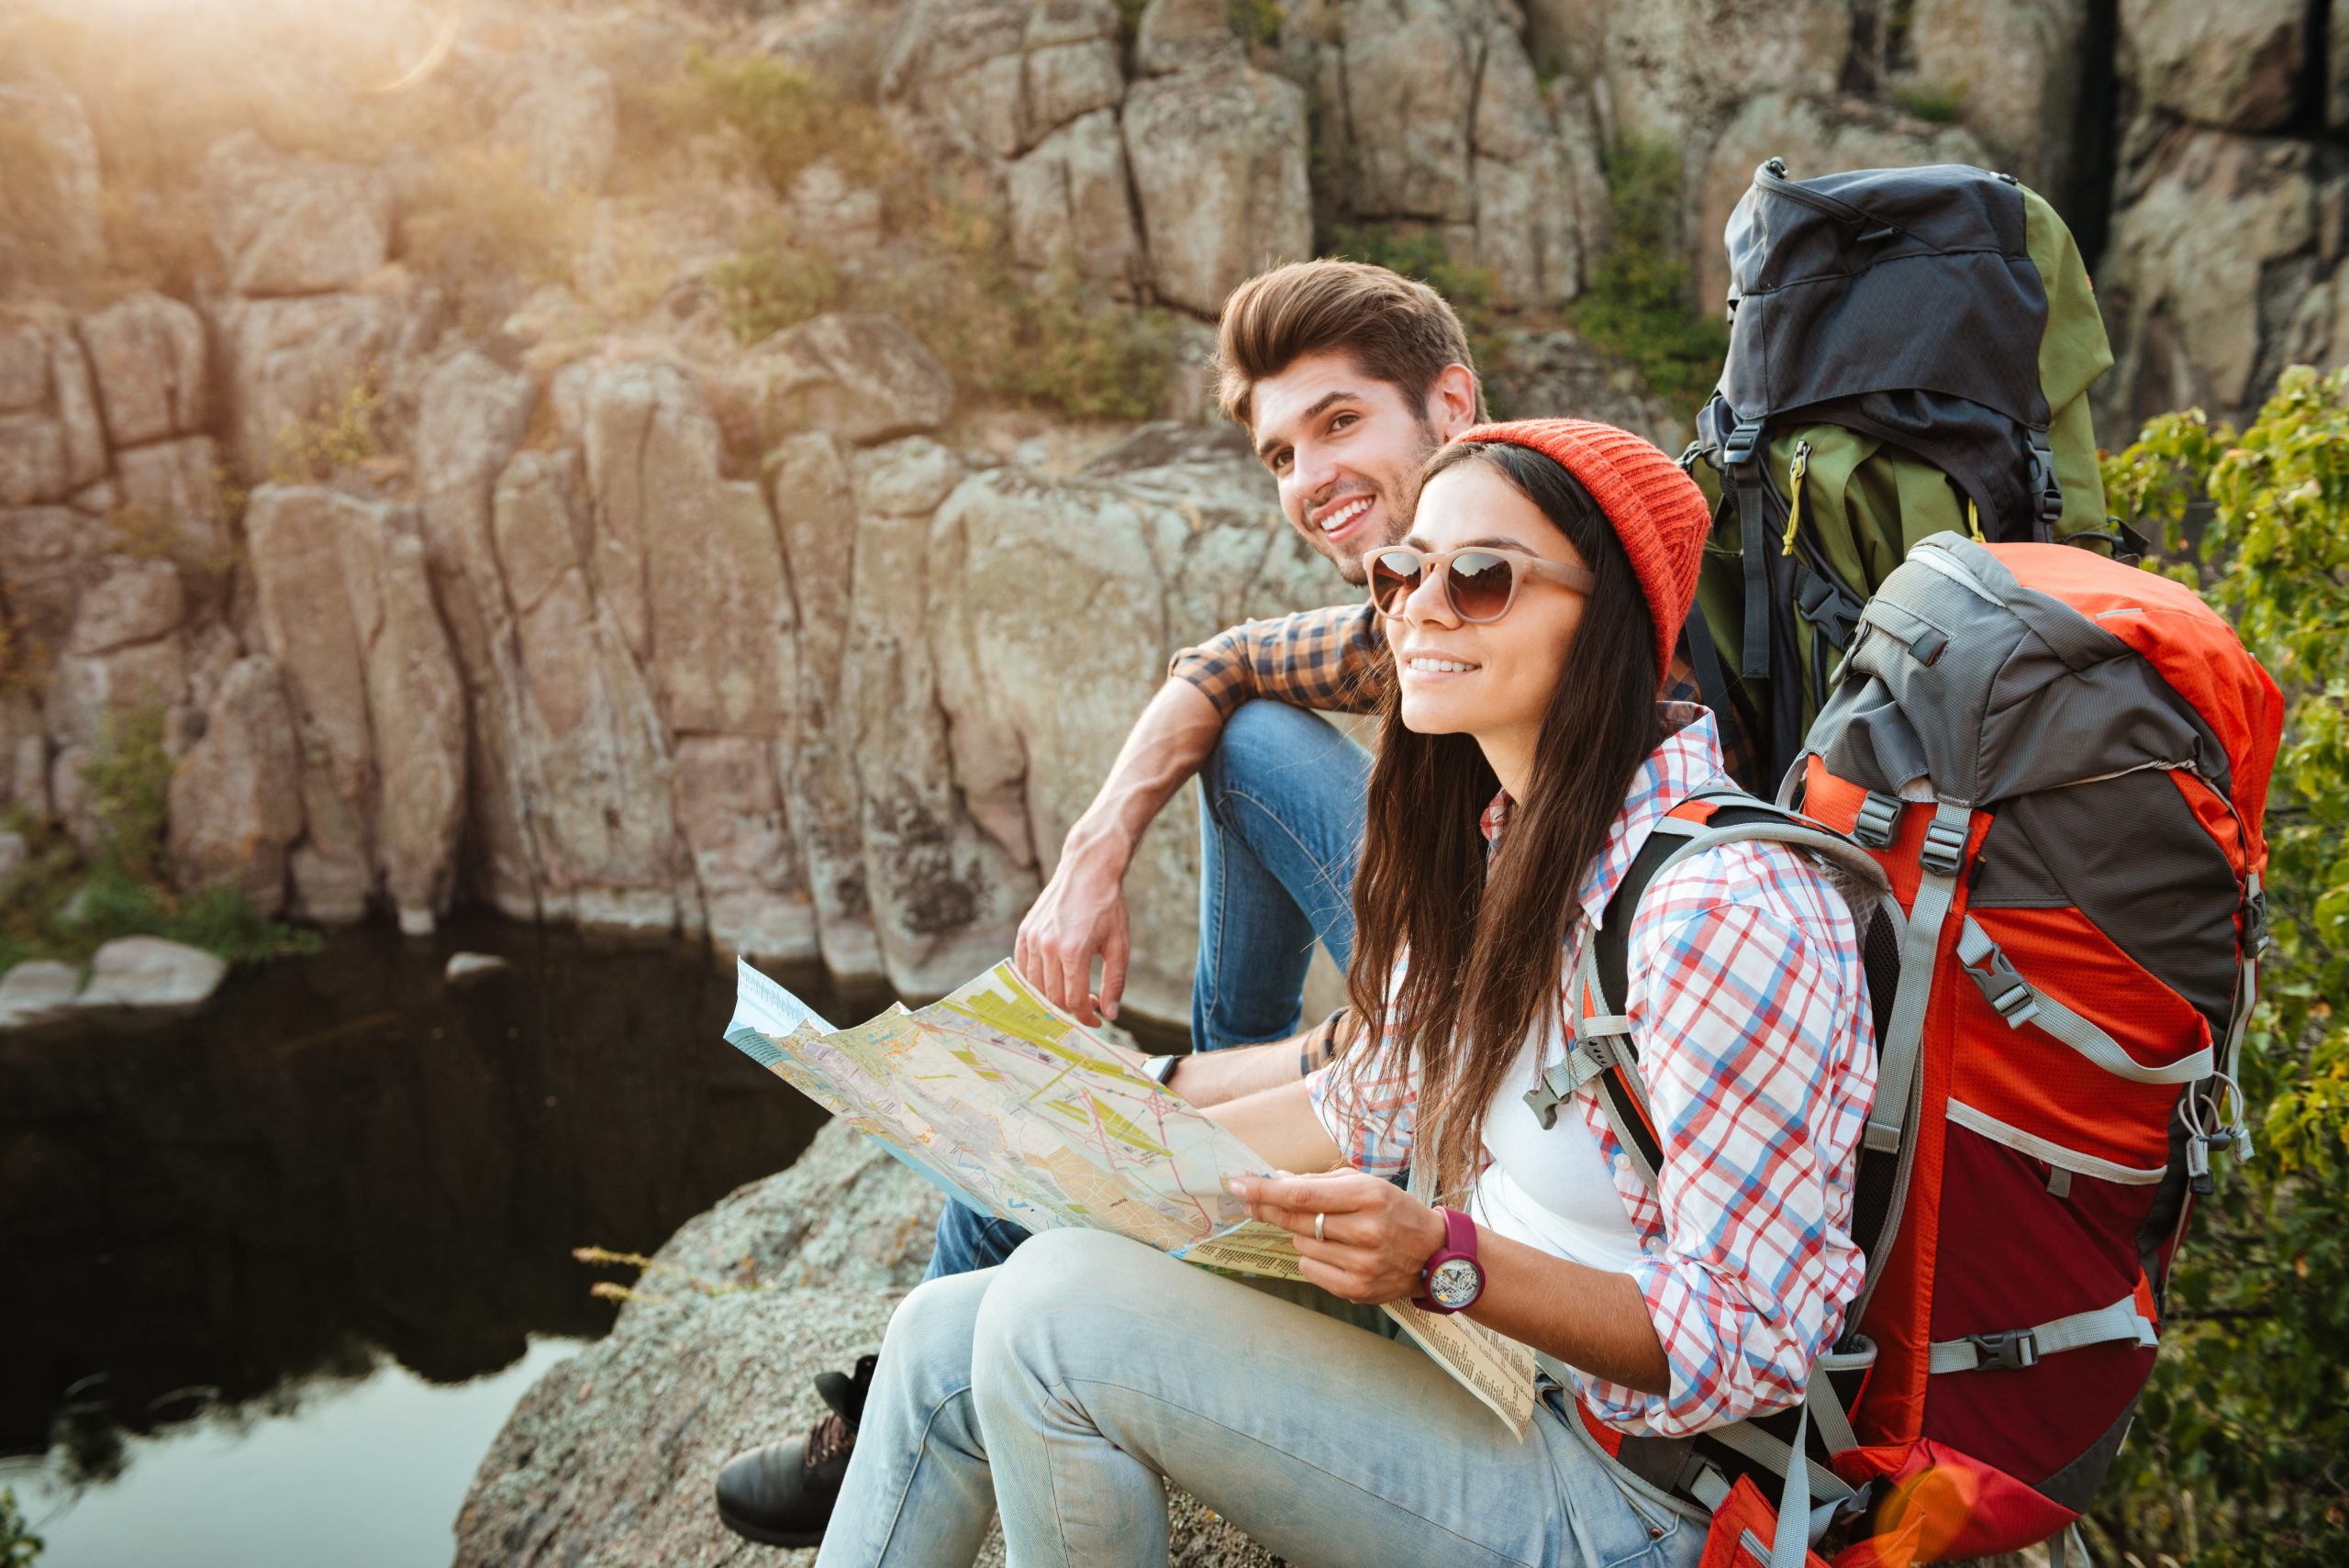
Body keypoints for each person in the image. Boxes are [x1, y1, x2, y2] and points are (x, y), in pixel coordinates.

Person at [714, 266, 1739, 1545]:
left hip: (1606, 1437)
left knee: (1045, 1282)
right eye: (1280, 454)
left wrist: (1435, 1249)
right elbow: (1230, 668)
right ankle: (936, 1378)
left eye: (1341, 423)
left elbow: (1730, 1317)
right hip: (1462, 1160)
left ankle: (1061, 1264)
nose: (1313, 482)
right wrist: (1105, 1033)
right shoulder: (1457, 720)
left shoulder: (1683, 853)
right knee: (999, 1221)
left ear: (1452, 403)